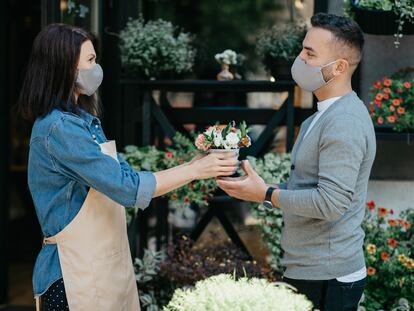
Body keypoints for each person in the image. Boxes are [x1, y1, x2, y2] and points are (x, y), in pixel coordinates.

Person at [18, 23, 239, 311]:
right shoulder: (60, 129)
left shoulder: (82, 123)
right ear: (66, 68)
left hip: (100, 268)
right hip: (72, 278)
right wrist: (197, 170)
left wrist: (194, 165)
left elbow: (126, 179)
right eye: (90, 61)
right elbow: (129, 189)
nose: (96, 68)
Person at [216, 13, 376, 311]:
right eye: (303, 49)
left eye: (309, 53)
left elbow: (330, 203)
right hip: (312, 269)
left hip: (328, 277)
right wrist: (262, 188)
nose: (299, 58)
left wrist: (265, 195)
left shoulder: (344, 121)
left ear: (340, 67)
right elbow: (310, 187)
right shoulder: (324, 114)